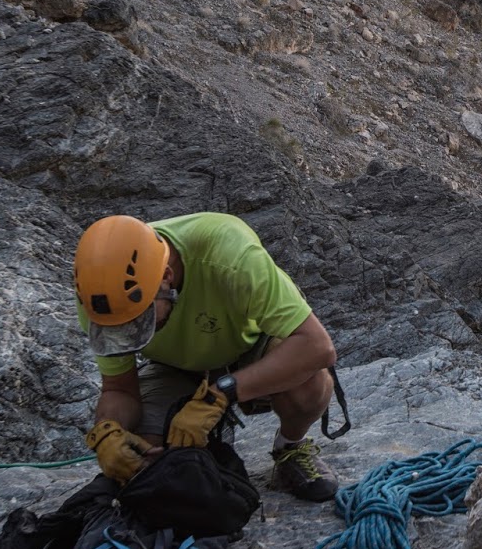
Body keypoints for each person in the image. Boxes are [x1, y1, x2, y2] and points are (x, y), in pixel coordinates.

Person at [72, 212, 340, 501]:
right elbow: (119, 390)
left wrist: (220, 395)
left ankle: (290, 446)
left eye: (140, 322)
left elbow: (317, 347)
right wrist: (107, 430)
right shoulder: (101, 298)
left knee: (307, 384)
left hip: (248, 348)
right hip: (173, 366)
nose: (132, 332)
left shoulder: (231, 254)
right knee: (146, 461)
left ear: (166, 277)